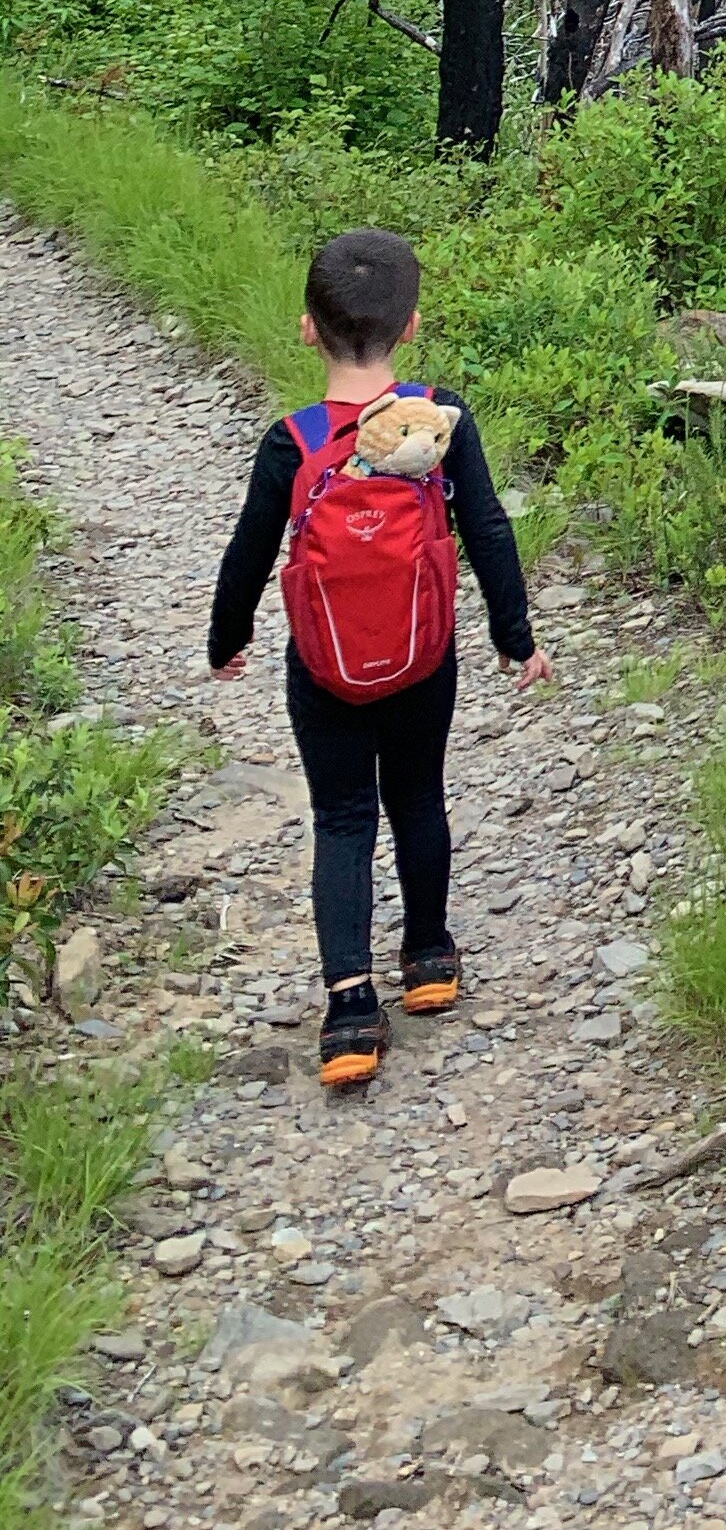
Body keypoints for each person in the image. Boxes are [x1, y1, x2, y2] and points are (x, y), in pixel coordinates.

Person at [208, 226, 551, 1090]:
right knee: (418, 796)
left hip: (322, 667)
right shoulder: (439, 422)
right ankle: (430, 959)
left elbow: (248, 552)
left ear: (306, 330)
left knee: (342, 818)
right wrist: (517, 639)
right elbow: (488, 531)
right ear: (412, 327)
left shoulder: (292, 440)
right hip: (421, 655)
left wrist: (228, 638)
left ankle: (351, 1011)